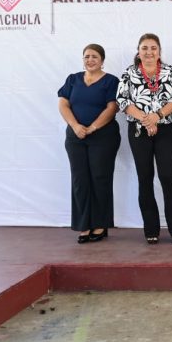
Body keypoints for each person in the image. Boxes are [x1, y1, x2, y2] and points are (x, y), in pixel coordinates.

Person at [116, 34, 172, 244]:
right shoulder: (129, 73)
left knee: (167, 177)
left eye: (153, 48)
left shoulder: (170, 71)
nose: (149, 52)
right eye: (144, 48)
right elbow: (122, 100)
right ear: (138, 50)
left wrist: (157, 116)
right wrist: (146, 120)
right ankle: (151, 229)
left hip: (164, 130)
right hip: (138, 131)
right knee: (145, 178)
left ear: (159, 51)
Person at [58, 44, 121, 244]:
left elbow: (113, 107)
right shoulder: (73, 79)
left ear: (102, 60)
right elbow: (63, 103)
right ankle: (83, 225)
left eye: (94, 56)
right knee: (80, 180)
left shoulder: (111, 81)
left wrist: (92, 128)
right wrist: (76, 126)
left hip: (103, 137)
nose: (90, 60)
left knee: (100, 178)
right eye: (86, 56)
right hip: (75, 137)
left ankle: (100, 225)